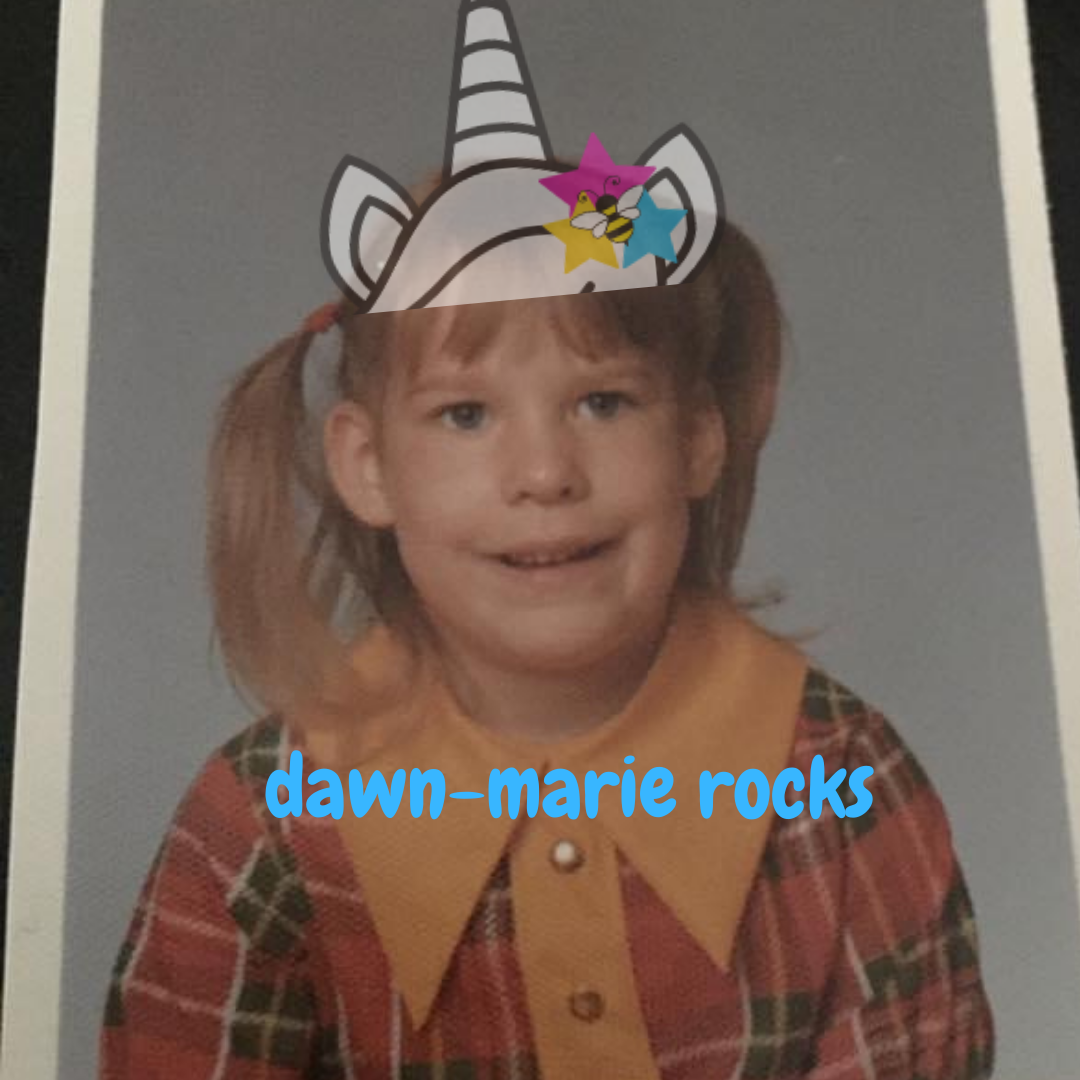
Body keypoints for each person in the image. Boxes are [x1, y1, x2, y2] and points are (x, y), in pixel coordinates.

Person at [99, 217, 995, 1079]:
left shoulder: (844, 784)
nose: (544, 474)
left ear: (694, 437)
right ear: (369, 464)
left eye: (602, 401)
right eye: (464, 415)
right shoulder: (261, 833)